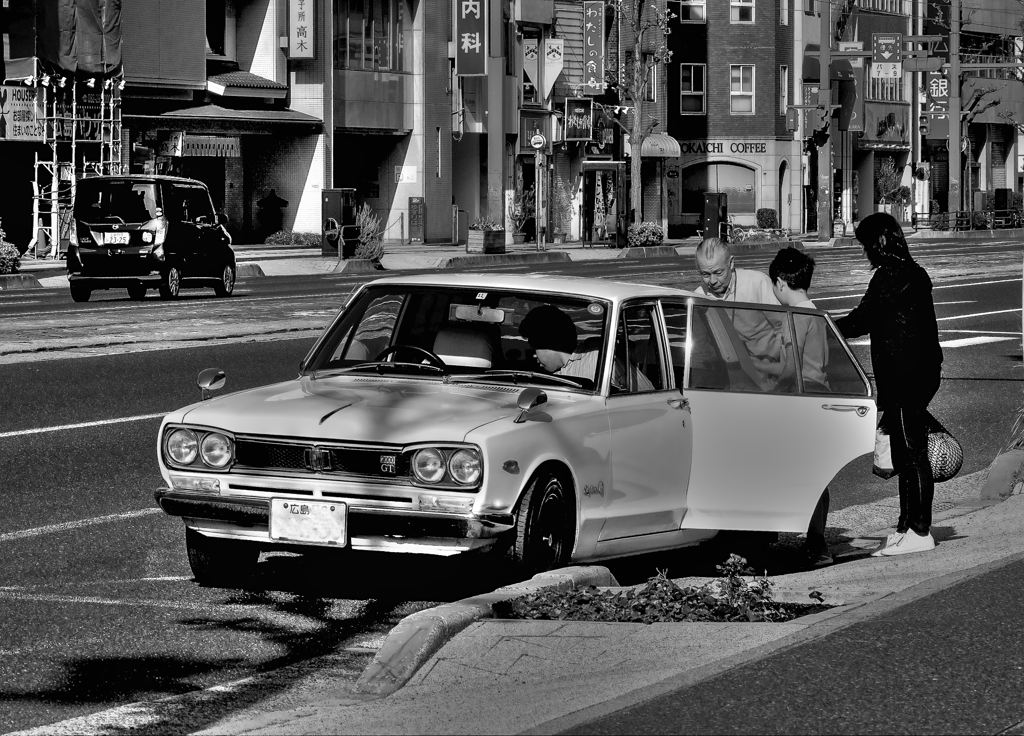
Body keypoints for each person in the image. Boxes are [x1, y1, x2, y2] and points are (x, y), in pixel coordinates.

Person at [835, 212, 943, 557]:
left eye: (867, 245)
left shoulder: (888, 278)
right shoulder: (914, 274)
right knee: (907, 453)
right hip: (921, 374)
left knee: (911, 455)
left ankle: (919, 530)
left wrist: (826, 329)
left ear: (879, 243)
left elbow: (862, 318)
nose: (865, 252)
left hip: (902, 378)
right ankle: (905, 527)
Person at [768, 247, 833, 567]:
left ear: (780, 283)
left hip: (799, 401)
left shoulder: (794, 318)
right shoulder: (817, 315)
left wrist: (770, 385)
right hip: (819, 398)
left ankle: (813, 543)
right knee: (817, 477)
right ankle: (816, 540)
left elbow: (789, 366)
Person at [694, 237, 785, 386]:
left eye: (718, 272)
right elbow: (701, 348)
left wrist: (767, 363)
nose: (712, 281)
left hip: (772, 371)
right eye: (705, 274)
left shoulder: (757, 283)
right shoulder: (698, 296)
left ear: (731, 263)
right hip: (728, 375)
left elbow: (783, 328)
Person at [518, 304, 654, 390]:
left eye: (536, 347)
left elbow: (647, 393)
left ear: (550, 344)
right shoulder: (543, 374)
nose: (535, 355)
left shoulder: (598, 360)